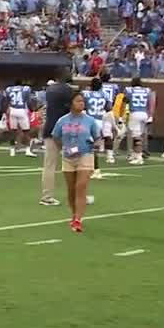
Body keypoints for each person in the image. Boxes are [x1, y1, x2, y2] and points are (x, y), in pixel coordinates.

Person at [50, 92, 101, 233]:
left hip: (85, 155)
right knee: (71, 190)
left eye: (83, 101)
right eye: (78, 101)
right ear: (70, 103)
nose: (81, 103)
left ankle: (78, 219)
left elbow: (97, 137)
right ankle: (74, 215)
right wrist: (63, 148)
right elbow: (55, 136)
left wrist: (94, 144)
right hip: (68, 157)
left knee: (81, 187)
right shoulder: (63, 120)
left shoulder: (90, 120)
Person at [39, 69, 75, 207]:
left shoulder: (50, 90)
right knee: (76, 160)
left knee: (49, 165)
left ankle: (47, 195)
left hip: (50, 129)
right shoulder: (67, 91)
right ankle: (78, 193)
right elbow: (73, 109)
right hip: (64, 131)